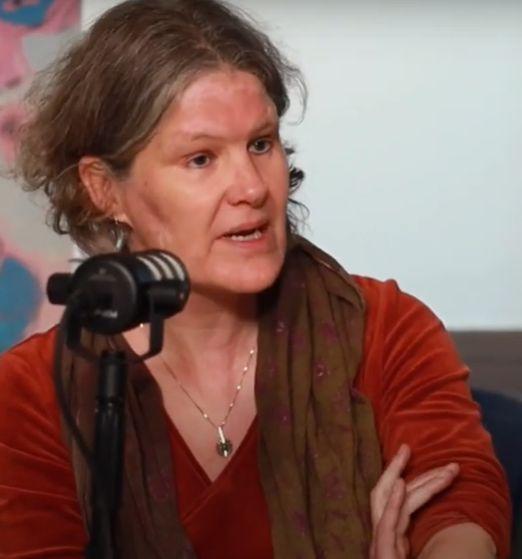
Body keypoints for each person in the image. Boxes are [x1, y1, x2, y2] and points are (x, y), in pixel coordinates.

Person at [0, 0, 511, 557]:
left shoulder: (386, 328)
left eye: (261, 144)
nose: (252, 187)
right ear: (104, 189)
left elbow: (462, 511)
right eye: (201, 159)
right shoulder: (30, 393)